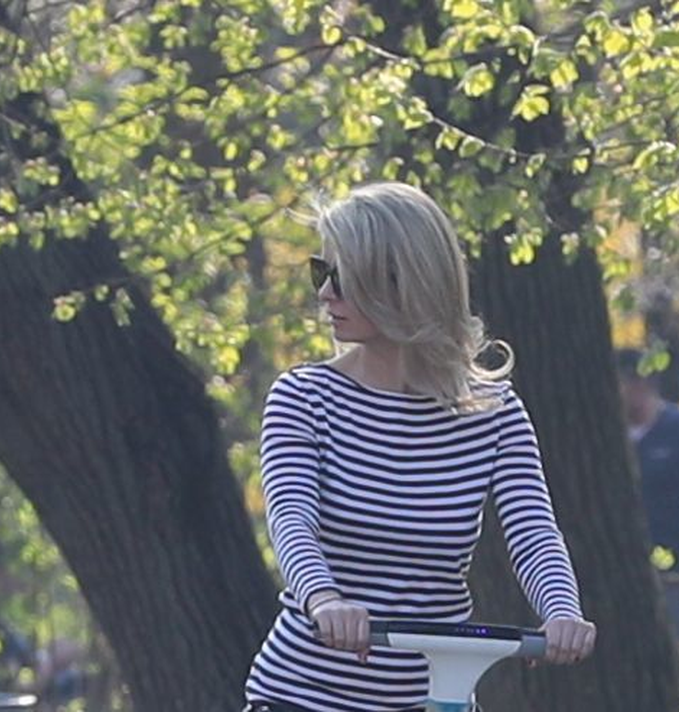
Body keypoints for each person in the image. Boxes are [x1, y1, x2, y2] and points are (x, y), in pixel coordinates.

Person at [243, 183, 596, 712]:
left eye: (343, 278)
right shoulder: (304, 398)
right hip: (302, 696)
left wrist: (562, 611)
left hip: (434, 696)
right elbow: (291, 519)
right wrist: (324, 599)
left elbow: (533, 532)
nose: (325, 294)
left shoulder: (493, 412)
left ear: (402, 283)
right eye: (322, 273)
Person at [616, 348, 679, 558]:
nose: (636, 388)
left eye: (641, 380)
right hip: (624, 551)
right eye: (628, 380)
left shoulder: (674, 428)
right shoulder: (607, 436)